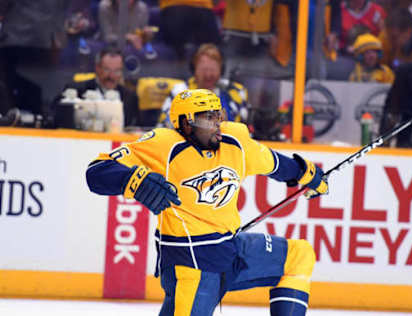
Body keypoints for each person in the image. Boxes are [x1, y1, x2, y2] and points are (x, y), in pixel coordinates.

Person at [86, 88, 329, 316]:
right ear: (186, 124)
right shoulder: (163, 145)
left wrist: (304, 173)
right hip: (192, 266)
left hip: (232, 251)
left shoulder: (236, 141)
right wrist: (133, 179)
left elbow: (274, 163)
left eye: (218, 117)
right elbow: (96, 172)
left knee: (299, 255)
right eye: (207, 119)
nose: (216, 126)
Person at [158, 43, 249, 127]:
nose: (208, 75)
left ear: (221, 70)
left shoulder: (236, 91)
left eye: (213, 70)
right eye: (203, 70)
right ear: (194, 70)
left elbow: (246, 128)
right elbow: (165, 125)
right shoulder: (180, 92)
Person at [52, 46, 140, 127]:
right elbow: (55, 117)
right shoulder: (76, 90)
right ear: (97, 68)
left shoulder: (130, 97)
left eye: (117, 71)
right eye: (107, 70)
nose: (111, 76)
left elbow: (136, 128)